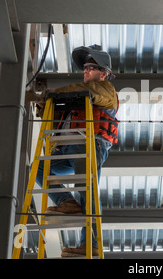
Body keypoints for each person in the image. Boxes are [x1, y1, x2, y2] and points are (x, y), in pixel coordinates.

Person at [26, 44, 118, 257]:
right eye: (85, 67)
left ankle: (91, 244)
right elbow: (57, 118)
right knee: (38, 168)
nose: (86, 70)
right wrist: (43, 107)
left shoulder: (105, 89)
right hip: (69, 146)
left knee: (86, 190)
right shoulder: (75, 99)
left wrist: (50, 95)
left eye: (91, 67)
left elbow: (87, 92)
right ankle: (66, 202)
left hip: (89, 143)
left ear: (103, 73)